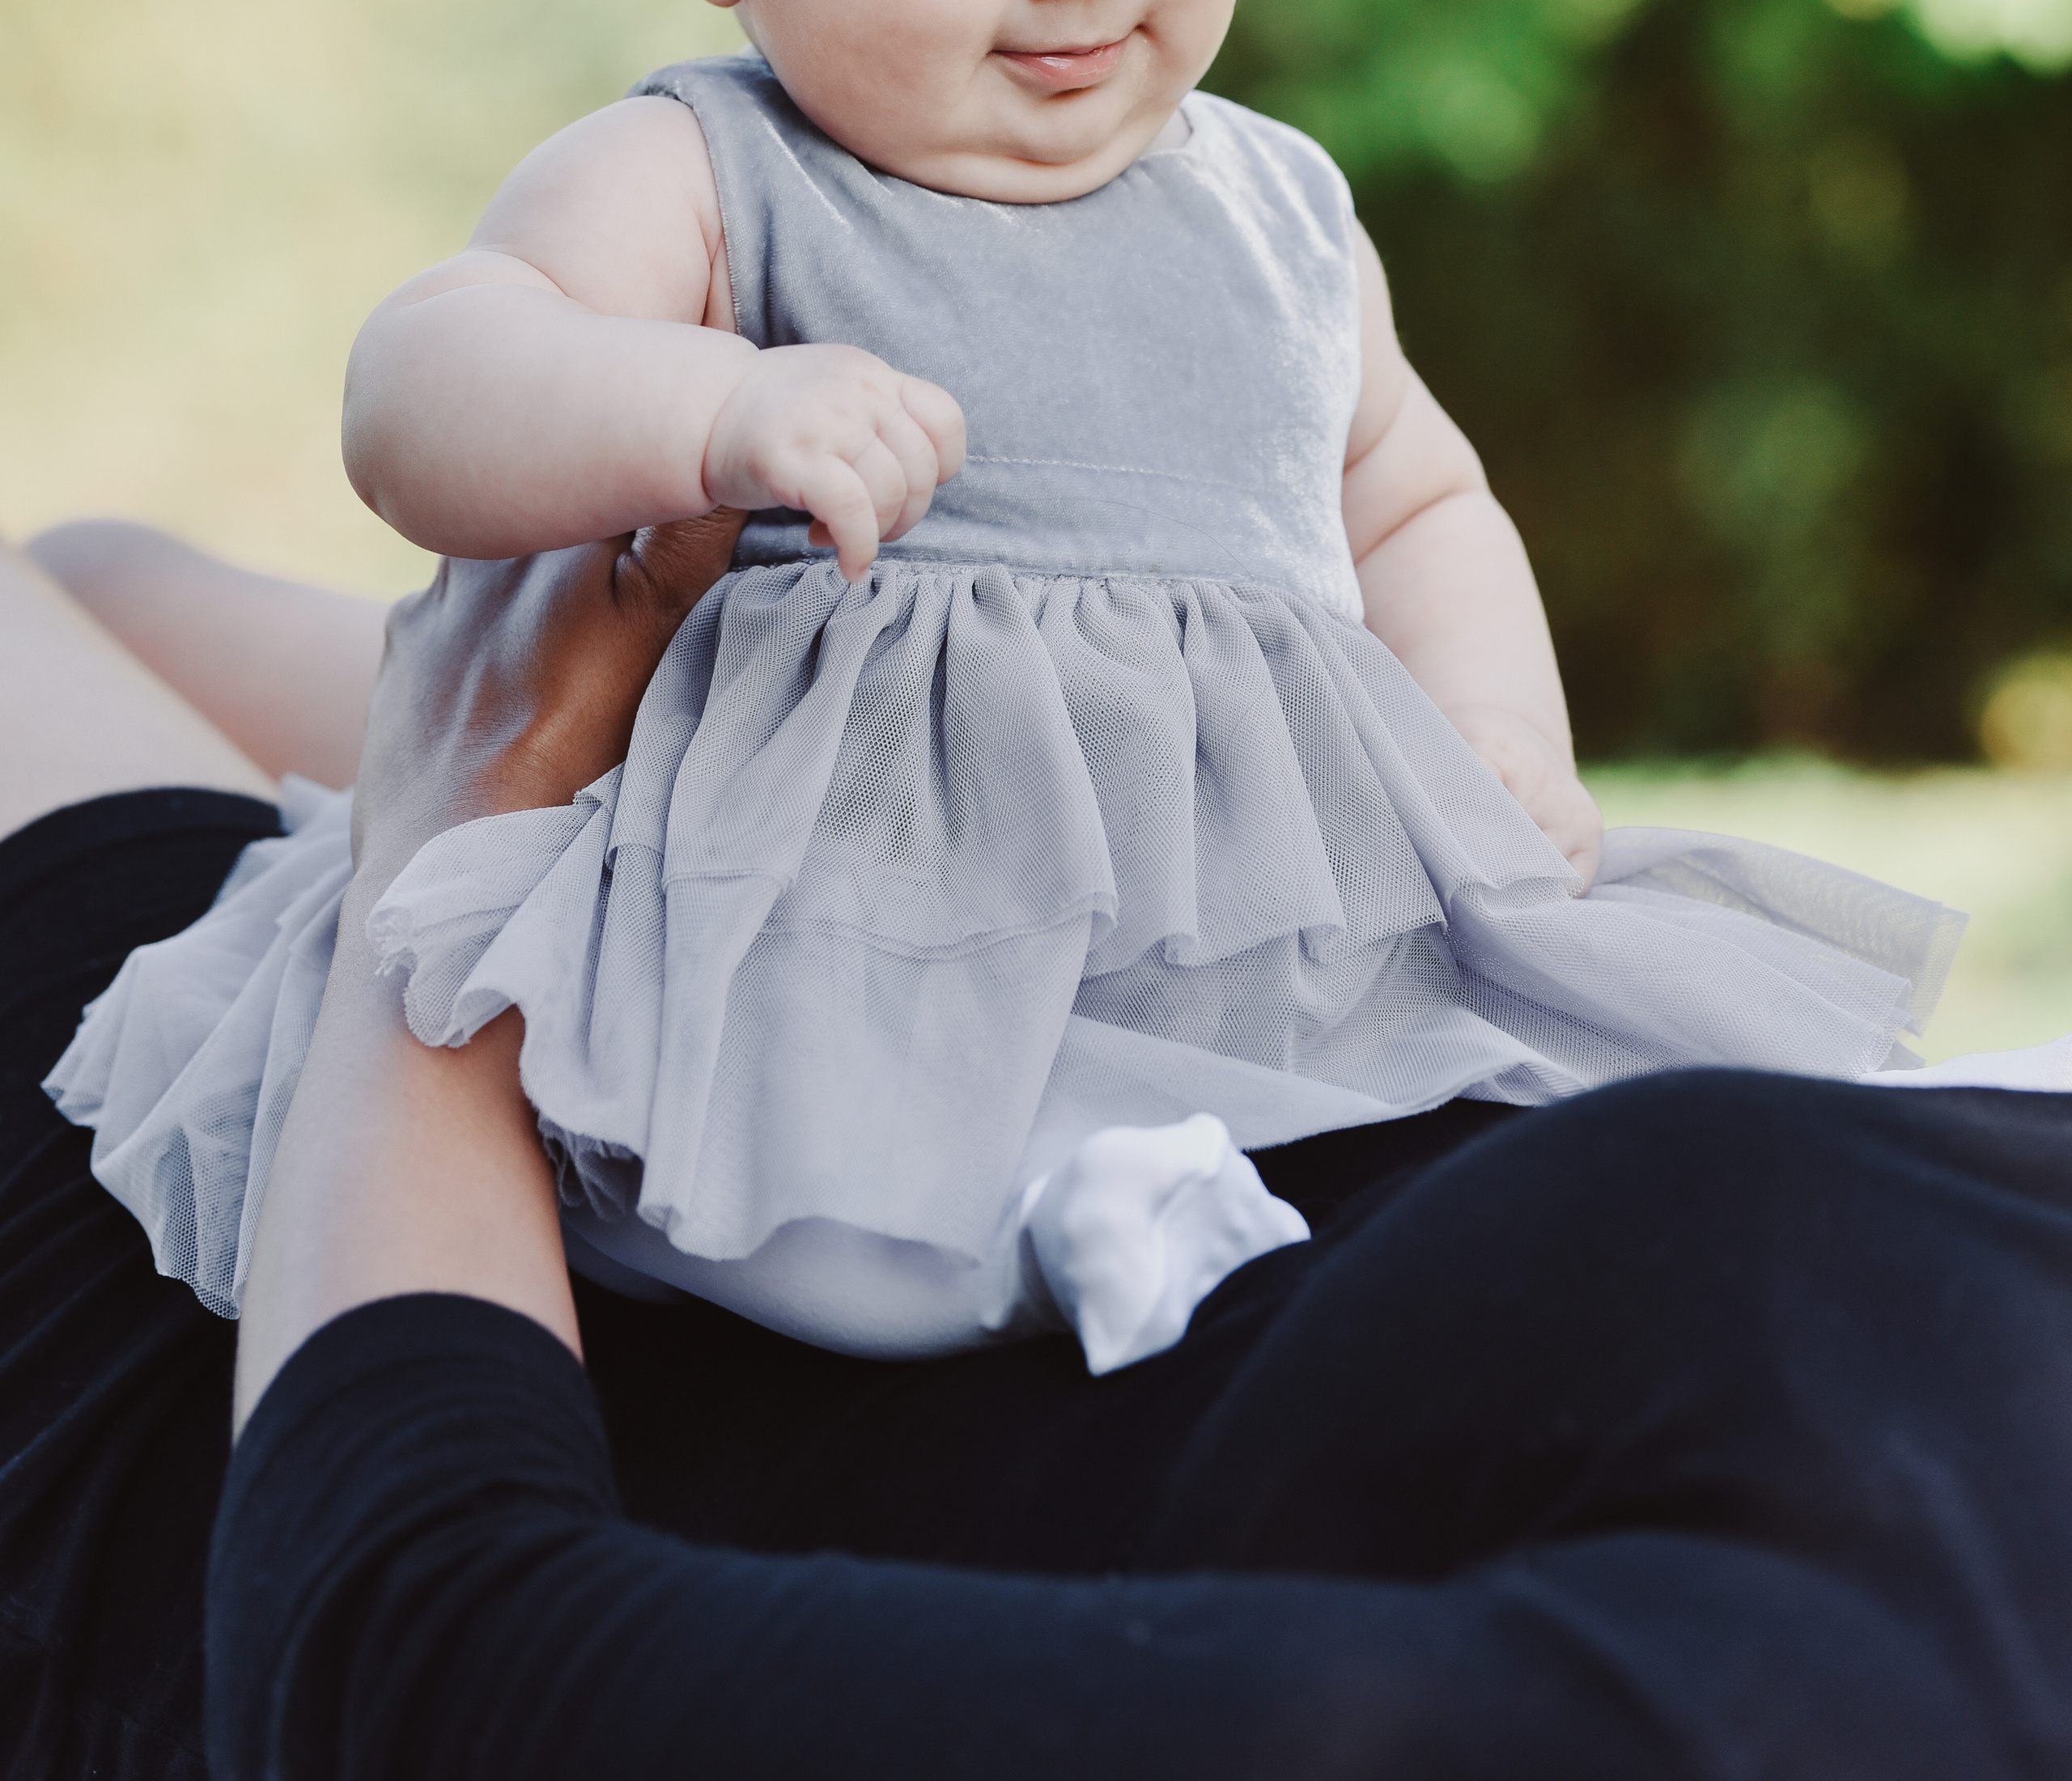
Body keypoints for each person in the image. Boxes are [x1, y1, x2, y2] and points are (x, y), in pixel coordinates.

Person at [49, 0, 1971, 1376]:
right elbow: (421, 388)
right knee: (789, 1189)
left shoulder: (1274, 208)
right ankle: (1047, 1242)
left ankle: (1245, 1193)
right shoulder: (712, 175)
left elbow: (1413, 495)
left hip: (1235, 904)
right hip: (847, 916)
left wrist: (1496, 726)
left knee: (1534, 1080)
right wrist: (712, 409)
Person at [6, 518, 2071, 1781]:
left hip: (300, 1305)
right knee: (109, 581)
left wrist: (456, 860)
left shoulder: (1801, 1711)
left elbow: (405, 1670)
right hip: (965, 1017)